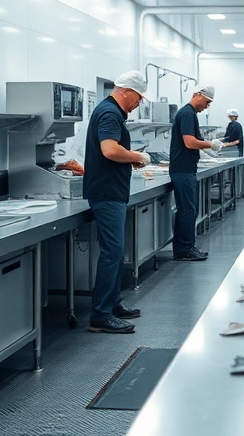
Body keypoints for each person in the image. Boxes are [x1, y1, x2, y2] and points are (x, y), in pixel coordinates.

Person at [83, 70, 152, 334]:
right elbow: (109, 150)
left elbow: (112, 152)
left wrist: (130, 158)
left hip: (111, 191)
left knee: (115, 251)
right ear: (126, 91)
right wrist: (137, 155)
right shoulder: (110, 113)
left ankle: (112, 304)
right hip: (106, 193)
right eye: (138, 97)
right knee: (112, 253)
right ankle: (101, 315)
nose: (139, 103)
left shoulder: (111, 111)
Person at [170, 84, 223, 261]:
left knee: (186, 209)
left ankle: (182, 249)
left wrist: (208, 147)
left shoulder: (189, 114)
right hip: (183, 170)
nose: (207, 106)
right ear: (198, 95)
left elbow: (195, 140)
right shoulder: (187, 114)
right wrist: (210, 144)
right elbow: (190, 142)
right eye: (207, 102)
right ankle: (185, 249)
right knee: (188, 210)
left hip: (186, 168)